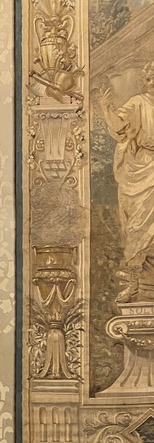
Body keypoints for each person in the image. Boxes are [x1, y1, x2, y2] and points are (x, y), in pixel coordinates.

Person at [98, 64, 154, 302]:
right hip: (142, 169)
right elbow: (119, 126)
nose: (152, 81)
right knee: (138, 227)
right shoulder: (138, 103)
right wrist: (105, 107)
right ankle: (135, 284)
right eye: (150, 77)